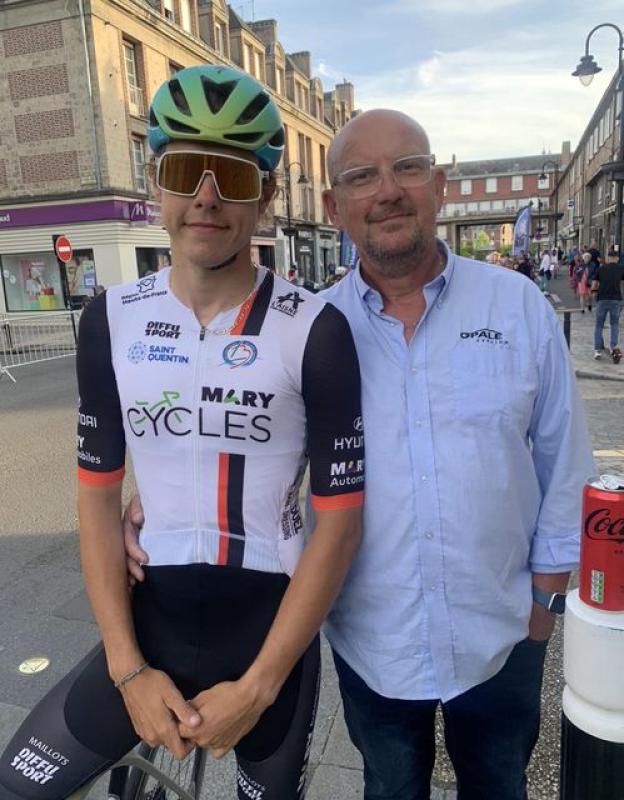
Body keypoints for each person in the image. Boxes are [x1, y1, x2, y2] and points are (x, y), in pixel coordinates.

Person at [124, 109, 594, 800]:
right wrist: (153, 506)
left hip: (502, 628)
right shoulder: (308, 328)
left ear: (438, 185)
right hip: (375, 639)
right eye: (361, 177)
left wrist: (546, 602)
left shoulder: (517, 305)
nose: (388, 191)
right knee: (389, 786)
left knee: (499, 783)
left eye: (407, 168)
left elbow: (563, 456)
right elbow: (245, 445)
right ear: (333, 206)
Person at [0, 64, 365, 800]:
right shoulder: (111, 319)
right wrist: (128, 670)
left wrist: (259, 687)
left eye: (231, 175)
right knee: (17, 784)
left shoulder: (316, 329)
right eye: (184, 170)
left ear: (265, 195)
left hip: (268, 638)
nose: (206, 196)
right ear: (154, 181)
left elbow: (340, 523)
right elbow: (96, 498)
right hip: (150, 626)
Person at [592, 248, 624, 362]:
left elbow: (594, 283)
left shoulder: (601, 268)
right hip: (616, 299)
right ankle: (613, 347)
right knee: (614, 324)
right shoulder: (621, 268)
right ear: (617, 258)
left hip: (602, 299)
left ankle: (597, 350)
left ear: (608, 258)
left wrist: (594, 294)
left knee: (599, 325)